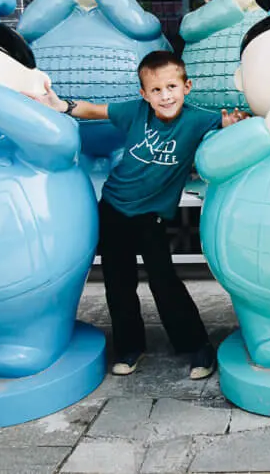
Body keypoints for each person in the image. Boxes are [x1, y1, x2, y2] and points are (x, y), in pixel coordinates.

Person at [32, 50, 245, 379]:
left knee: (164, 282)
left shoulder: (197, 118)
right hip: (114, 207)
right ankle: (130, 347)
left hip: (152, 217)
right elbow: (94, 110)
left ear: (186, 86)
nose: (165, 95)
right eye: (156, 90)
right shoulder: (135, 111)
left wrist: (232, 122)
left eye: (171, 86)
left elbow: (226, 121)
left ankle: (196, 348)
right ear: (144, 94)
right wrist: (62, 106)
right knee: (118, 283)